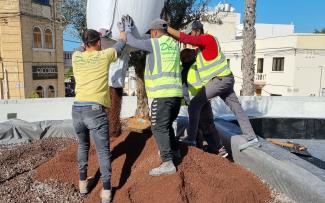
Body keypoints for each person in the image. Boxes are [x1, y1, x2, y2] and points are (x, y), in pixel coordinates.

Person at [167, 21, 260, 151]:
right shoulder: (201, 49)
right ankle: (252, 138)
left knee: (194, 105)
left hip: (220, 80)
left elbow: (186, 38)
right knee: (236, 108)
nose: (190, 37)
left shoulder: (207, 39)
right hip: (225, 79)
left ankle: (191, 140)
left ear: (197, 31)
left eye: (192, 33)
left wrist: (167, 28)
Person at [121, 15, 183, 176]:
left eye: (150, 33)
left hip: (163, 94)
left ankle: (167, 162)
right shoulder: (174, 44)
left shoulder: (154, 43)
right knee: (166, 124)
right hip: (176, 94)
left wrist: (128, 29)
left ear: (155, 32)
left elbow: (133, 42)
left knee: (158, 126)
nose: (150, 35)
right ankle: (175, 151)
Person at [72, 28, 126, 203]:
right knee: (103, 151)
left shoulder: (76, 57)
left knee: (83, 146)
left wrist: (97, 36)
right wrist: (125, 33)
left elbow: (83, 47)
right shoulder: (104, 56)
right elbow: (120, 45)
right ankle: (107, 191)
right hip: (95, 111)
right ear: (98, 43)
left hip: (77, 109)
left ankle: (82, 184)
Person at [180, 48, 228, 157]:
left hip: (196, 102)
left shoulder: (186, 71)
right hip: (204, 99)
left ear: (183, 59)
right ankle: (217, 148)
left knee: (200, 126)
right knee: (206, 125)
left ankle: (208, 148)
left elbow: (184, 90)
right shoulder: (197, 67)